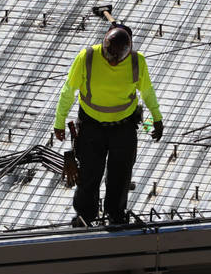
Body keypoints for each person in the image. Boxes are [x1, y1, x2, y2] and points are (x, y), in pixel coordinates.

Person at [54, 25, 163, 227]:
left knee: (120, 175)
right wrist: (59, 122)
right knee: (89, 173)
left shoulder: (137, 62)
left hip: (123, 128)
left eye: (116, 58)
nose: (112, 61)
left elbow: (146, 92)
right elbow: (68, 91)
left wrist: (156, 118)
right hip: (91, 127)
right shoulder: (87, 57)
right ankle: (86, 214)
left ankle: (116, 214)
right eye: (109, 56)